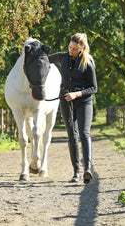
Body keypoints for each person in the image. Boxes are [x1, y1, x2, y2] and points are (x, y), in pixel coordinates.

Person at [48, 33, 98, 183]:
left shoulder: (88, 62)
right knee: (71, 135)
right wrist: (37, 47)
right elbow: (43, 59)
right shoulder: (62, 57)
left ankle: (87, 169)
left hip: (83, 101)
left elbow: (94, 87)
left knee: (84, 133)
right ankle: (76, 172)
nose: (71, 50)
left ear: (82, 48)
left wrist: (77, 94)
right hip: (66, 101)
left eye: (75, 49)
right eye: (70, 47)